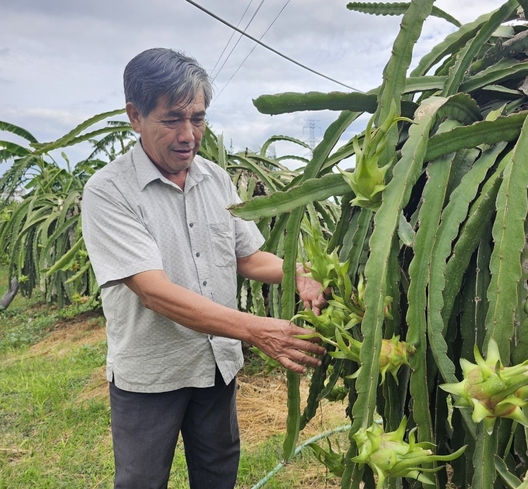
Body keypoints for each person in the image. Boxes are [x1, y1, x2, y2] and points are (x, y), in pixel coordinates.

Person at [81, 47, 327, 489]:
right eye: (173, 119)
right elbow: (153, 291)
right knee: (141, 481)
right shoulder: (108, 192)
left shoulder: (215, 178)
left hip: (216, 364)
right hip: (151, 373)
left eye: (198, 117)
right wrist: (255, 329)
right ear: (135, 116)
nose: (189, 134)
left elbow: (248, 257)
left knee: (218, 475)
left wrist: (300, 272)